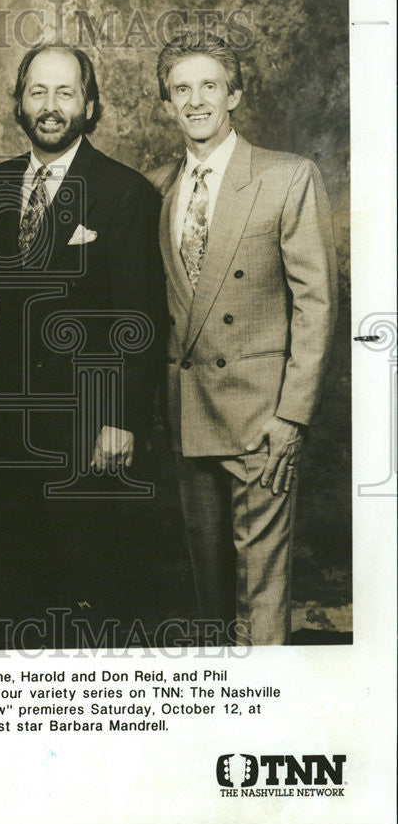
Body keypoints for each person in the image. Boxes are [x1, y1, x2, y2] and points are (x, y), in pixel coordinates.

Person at [144, 32, 338, 645]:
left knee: (260, 595)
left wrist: (292, 416)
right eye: (181, 89)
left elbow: (317, 302)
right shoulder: (157, 189)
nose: (195, 100)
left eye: (209, 86)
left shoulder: (287, 176)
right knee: (207, 593)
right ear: (167, 103)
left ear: (235, 95)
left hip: (262, 417)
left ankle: (265, 714)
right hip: (188, 414)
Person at [0, 43, 166, 621]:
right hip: (9, 432)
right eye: (37, 91)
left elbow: (142, 318)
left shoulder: (125, 191)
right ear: (19, 103)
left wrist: (122, 419)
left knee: (88, 586)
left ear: (89, 103)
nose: (50, 106)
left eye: (65, 92)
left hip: (88, 428)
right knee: (15, 588)